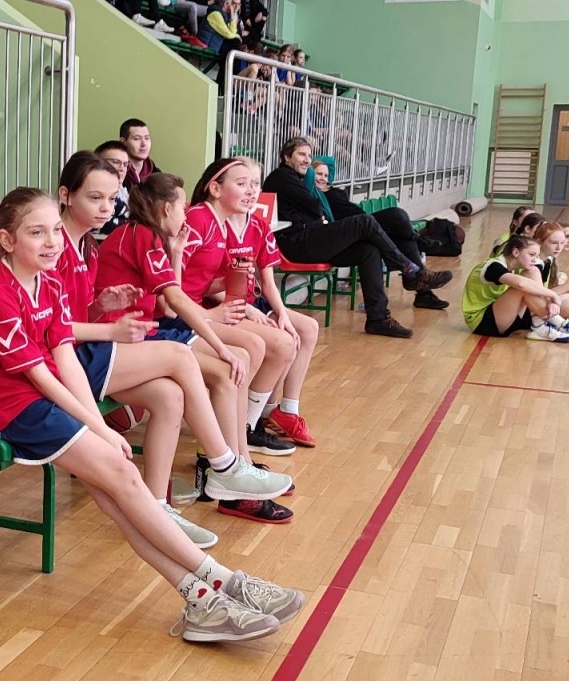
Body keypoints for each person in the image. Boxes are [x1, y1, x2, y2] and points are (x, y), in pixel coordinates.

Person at [0, 185, 305, 643]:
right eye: (36, 233)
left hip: (46, 397)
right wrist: (98, 426)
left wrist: (96, 424)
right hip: (13, 409)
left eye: (55, 231)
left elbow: (64, 359)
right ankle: (224, 581)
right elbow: (39, 376)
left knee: (121, 497)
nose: (51, 242)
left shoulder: (49, 280)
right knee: (122, 476)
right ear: (7, 239)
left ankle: (200, 598)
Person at [56, 151, 293, 548]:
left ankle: (157, 508)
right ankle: (225, 465)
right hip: (79, 356)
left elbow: (76, 313)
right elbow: (172, 304)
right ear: (66, 195)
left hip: (102, 344)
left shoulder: (88, 247)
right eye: (95, 198)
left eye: (111, 198)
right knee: (197, 359)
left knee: (170, 396)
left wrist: (102, 307)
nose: (106, 207)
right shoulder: (98, 240)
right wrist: (111, 325)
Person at [102, 172, 298, 524]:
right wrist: (218, 341)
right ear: (167, 208)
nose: (186, 213)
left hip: (143, 332)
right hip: (128, 338)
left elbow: (169, 301)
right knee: (228, 366)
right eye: (182, 206)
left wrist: (176, 253)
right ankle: (226, 468)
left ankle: (231, 466)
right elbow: (174, 303)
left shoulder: (151, 235)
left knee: (234, 362)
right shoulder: (142, 234)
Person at [185, 157, 320, 450]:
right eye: (243, 183)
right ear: (216, 188)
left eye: (255, 184)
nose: (251, 191)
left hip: (240, 300)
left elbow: (264, 282)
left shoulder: (255, 224)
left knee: (304, 329)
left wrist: (281, 313)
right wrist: (242, 307)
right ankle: (248, 426)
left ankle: (279, 412)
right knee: (280, 343)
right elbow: (191, 284)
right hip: (212, 306)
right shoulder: (202, 219)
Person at [262, 137, 450, 338]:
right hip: (298, 243)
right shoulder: (281, 176)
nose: (307, 160)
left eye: (309, 155)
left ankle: (378, 319)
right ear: (286, 157)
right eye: (301, 154)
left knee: (368, 251)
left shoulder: (297, 179)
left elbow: (314, 209)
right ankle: (408, 268)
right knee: (364, 221)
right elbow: (315, 208)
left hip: (312, 238)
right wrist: (312, 186)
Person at [308, 157, 454, 310]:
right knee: (397, 215)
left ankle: (422, 290)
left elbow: (330, 161)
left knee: (401, 231)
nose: (323, 178)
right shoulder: (312, 194)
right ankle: (420, 248)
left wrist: (322, 175)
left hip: (366, 224)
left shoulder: (331, 189)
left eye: (326, 175)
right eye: (318, 174)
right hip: (350, 231)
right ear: (310, 174)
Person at [461, 233, 569, 343]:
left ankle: (540, 324)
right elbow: (521, 285)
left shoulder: (514, 267)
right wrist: (552, 296)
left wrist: (550, 300)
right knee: (522, 287)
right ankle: (561, 325)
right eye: (531, 255)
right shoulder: (492, 266)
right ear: (516, 252)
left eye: (536, 256)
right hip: (482, 322)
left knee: (533, 273)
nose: (534, 260)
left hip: (505, 316)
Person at [94, 140, 132, 237]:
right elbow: (106, 224)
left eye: (125, 164)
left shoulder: (128, 192)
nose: (122, 168)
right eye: (116, 162)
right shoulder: (92, 190)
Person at [121, 119, 161, 189]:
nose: (144, 144)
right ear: (123, 142)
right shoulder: (116, 174)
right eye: (137, 139)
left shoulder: (157, 176)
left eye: (147, 138)